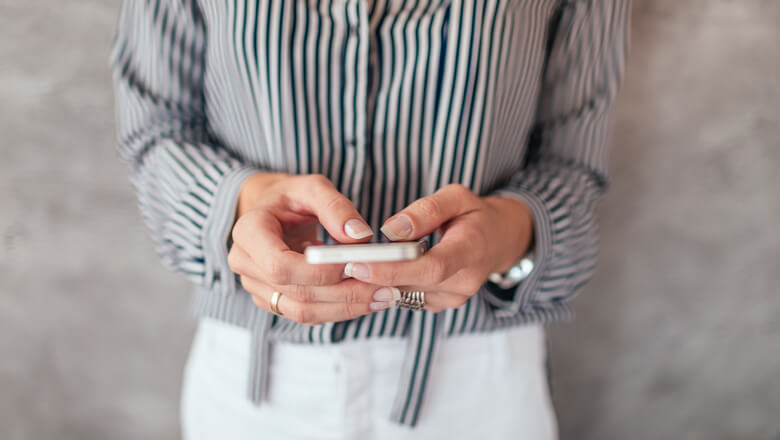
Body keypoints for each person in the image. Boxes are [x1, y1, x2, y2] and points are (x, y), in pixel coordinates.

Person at [111, 0, 629, 438]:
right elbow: (155, 130)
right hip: (255, 381)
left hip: (477, 382)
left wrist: (500, 235)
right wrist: (247, 204)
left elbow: (573, 166)